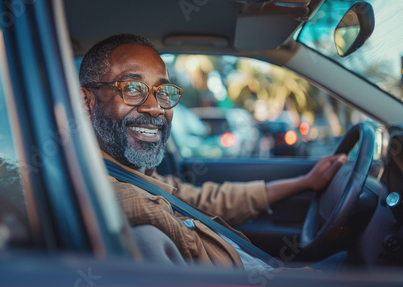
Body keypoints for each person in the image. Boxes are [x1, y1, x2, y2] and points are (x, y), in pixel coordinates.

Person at [79, 34, 347, 269]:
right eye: (133, 88)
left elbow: (210, 200)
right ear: (86, 101)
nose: (156, 107)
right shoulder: (92, 191)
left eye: (163, 91)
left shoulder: (140, 176)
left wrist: (304, 182)